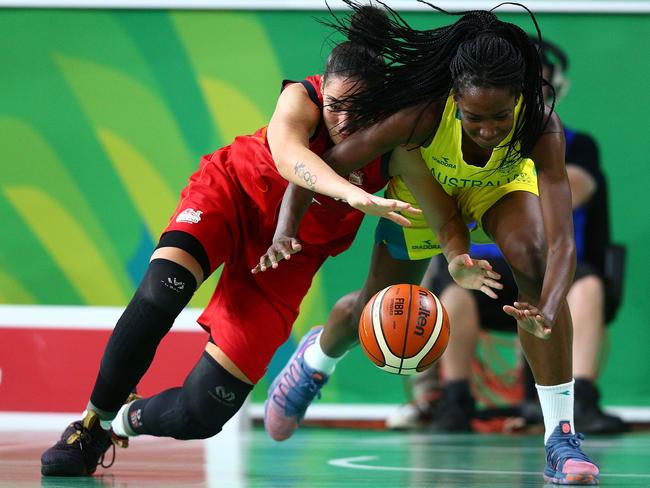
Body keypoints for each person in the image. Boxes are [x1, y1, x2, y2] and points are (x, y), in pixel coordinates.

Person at [39, 9, 423, 477]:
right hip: (231, 197)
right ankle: (89, 425)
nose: (343, 118)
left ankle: (123, 419)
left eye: (359, 109)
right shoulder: (300, 98)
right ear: (323, 87)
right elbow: (289, 157)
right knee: (163, 291)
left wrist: (460, 253)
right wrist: (352, 194)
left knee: (203, 413)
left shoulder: (397, 143)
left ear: (381, 105)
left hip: (288, 258)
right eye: (336, 104)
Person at [260, 2, 600, 485]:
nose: (487, 130)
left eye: (500, 117)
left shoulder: (540, 124)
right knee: (370, 311)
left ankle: (561, 437)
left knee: (535, 257)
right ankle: (317, 359)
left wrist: (546, 305)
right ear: (454, 98)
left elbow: (564, 240)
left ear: (520, 99)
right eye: (473, 117)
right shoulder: (419, 113)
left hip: (497, 189)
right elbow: (326, 163)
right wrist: (285, 226)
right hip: (424, 196)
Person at [386, 37, 628, 436]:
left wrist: (518, 185)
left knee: (583, 286)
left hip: (539, 255)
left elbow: (573, 191)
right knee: (451, 287)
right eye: (478, 116)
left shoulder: (560, 139)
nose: (489, 128)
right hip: (483, 261)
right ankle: (453, 399)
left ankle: (577, 400)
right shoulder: (451, 133)